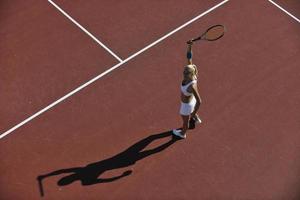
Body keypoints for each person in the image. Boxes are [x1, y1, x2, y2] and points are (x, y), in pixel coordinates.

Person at [172, 40, 202, 139]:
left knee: (185, 121)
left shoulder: (192, 85)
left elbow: (200, 101)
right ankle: (196, 118)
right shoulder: (192, 71)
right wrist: (190, 46)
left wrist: (192, 113)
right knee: (190, 114)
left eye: (185, 73)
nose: (183, 73)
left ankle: (182, 133)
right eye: (184, 71)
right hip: (191, 100)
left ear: (190, 74)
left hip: (187, 106)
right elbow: (189, 57)